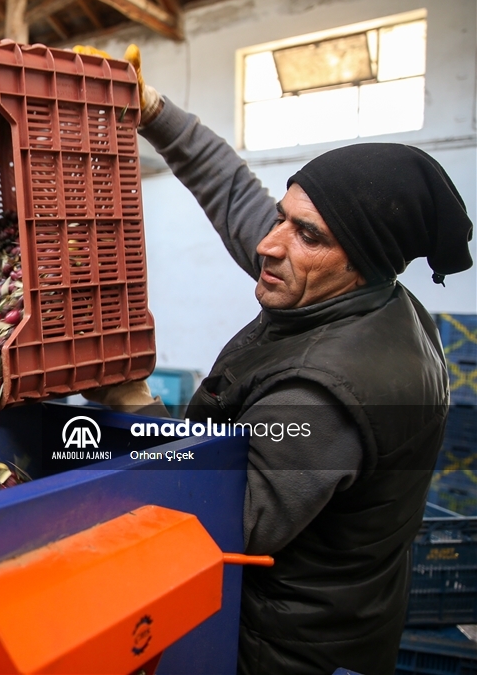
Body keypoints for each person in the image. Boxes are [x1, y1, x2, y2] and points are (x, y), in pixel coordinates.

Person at [80, 45, 474, 674]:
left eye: (305, 234)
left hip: (286, 649)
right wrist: (152, 110)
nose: (269, 243)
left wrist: (133, 405)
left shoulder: (326, 396)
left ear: (360, 259)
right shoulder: (350, 288)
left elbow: (215, 520)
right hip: (338, 615)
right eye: (286, 217)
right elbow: (235, 194)